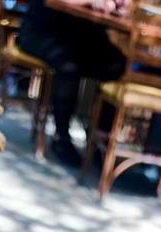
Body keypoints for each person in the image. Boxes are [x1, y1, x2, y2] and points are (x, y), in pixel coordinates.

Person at [19, 0, 126, 167]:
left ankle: (99, 136)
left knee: (117, 64)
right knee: (69, 66)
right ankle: (61, 136)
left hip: (82, 34)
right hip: (44, 31)